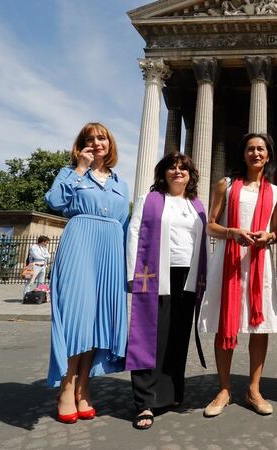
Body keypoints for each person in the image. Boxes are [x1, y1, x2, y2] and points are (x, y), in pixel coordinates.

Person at [45, 122, 130, 424]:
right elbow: (55, 202)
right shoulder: (70, 174)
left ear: (110, 144)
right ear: (80, 146)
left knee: (97, 321)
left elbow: (125, 225)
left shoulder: (121, 182)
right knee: (76, 318)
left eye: (101, 138)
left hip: (109, 253)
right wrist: (80, 168)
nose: (96, 143)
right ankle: (66, 388)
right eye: (89, 139)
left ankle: (84, 387)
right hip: (79, 245)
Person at [198, 133, 277, 417]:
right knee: (227, 323)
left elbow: (276, 231)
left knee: (259, 327)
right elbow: (210, 225)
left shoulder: (276, 192)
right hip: (229, 262)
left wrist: (268, 236)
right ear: (243, 154)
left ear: (268, 155)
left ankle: (254, 389)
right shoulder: (226, 185)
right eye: (250, 149)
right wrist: (231, 232)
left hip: (259, 263)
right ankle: (224, 389)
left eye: (261, 149)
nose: (256, 153)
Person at [125, 152, 208, 430]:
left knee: (177, 336)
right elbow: (134, 232)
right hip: (155, 273)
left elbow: (204, 241)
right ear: (163, 173)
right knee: (151, 336)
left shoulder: (196, 205)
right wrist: (131, 274)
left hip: (188, 276)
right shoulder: (149, 201)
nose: (177, 172)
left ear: (190, 175)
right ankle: (145, 401)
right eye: (172, 168)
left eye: (183, 168)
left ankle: (171, 393)